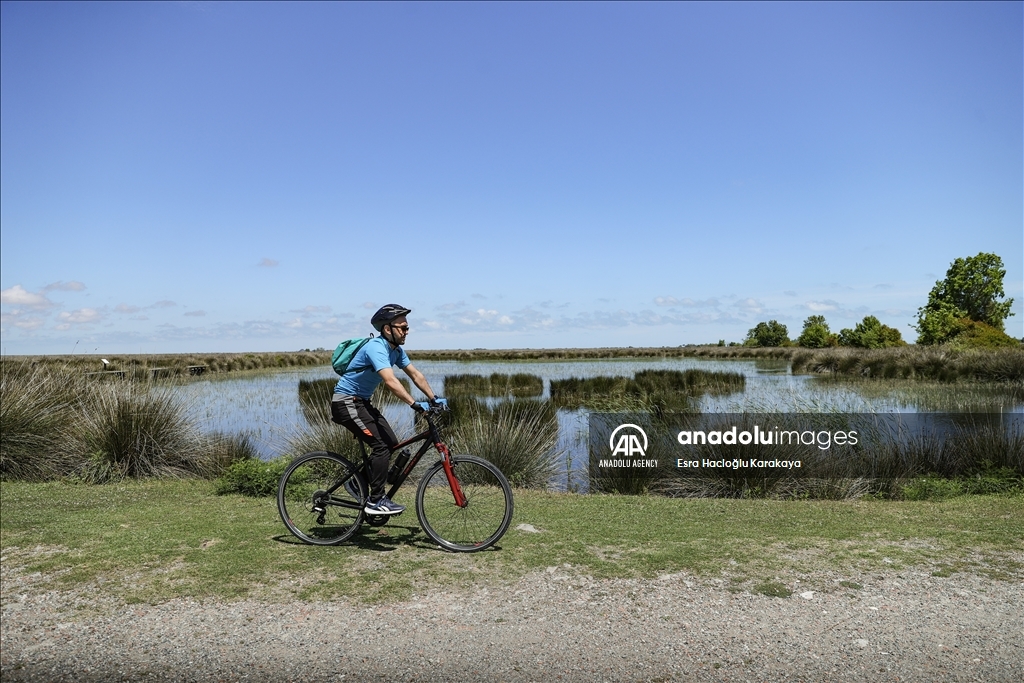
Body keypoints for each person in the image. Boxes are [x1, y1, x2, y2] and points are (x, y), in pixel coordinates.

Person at [331, 304, 442, 515]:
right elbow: (390, 381)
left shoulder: (396, 350)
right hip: (345, 402)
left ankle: (357, 484)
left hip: (361, 402)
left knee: (390, 443)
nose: (406, 332)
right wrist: (415, 404)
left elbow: (415, 375)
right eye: (402, 327)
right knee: (381, 446)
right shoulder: (376, 347)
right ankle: (375, 500)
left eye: (407, 328)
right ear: (387, 329)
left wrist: (433, 397)